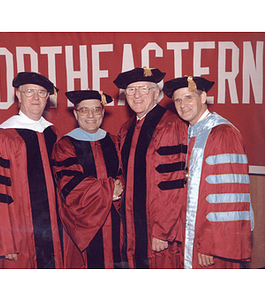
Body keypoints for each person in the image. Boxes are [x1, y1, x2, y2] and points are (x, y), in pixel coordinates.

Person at [0, 72, 63, 268]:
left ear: (47, 98)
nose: (36, 97)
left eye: (41, 92)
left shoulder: (52, 133)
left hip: (54, 234)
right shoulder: (3, 137)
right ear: (18, 95)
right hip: (18, 237)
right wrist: (4, 242)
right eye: (29, 91)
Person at [163, 75, 254, 269]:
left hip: (213, 243)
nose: (182, 105)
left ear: (203, 97)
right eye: (177, 100)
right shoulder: (191, 132)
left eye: (188, 97)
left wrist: (209, 244)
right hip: (192, 236)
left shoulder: (222, 133)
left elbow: (227, 196)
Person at [113, 67, 188, 268]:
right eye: (131, 90)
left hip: (159, 229)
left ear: (156, 93)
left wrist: (163, 230)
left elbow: (173, 182)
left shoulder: (171, 124)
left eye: (144, 89)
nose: (136, 95)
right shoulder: (126, 128)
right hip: (133, 225)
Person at [52, 89, 123, 269]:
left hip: (115, 222)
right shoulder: (65, 145)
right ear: (76, 114)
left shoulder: (115, 142)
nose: (90, 115)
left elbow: (124, 175)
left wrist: (119, 188)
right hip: (84, 226)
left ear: (103, 113)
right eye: (84, 110)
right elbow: (69, 186)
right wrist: (109, 189)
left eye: (96, 110)